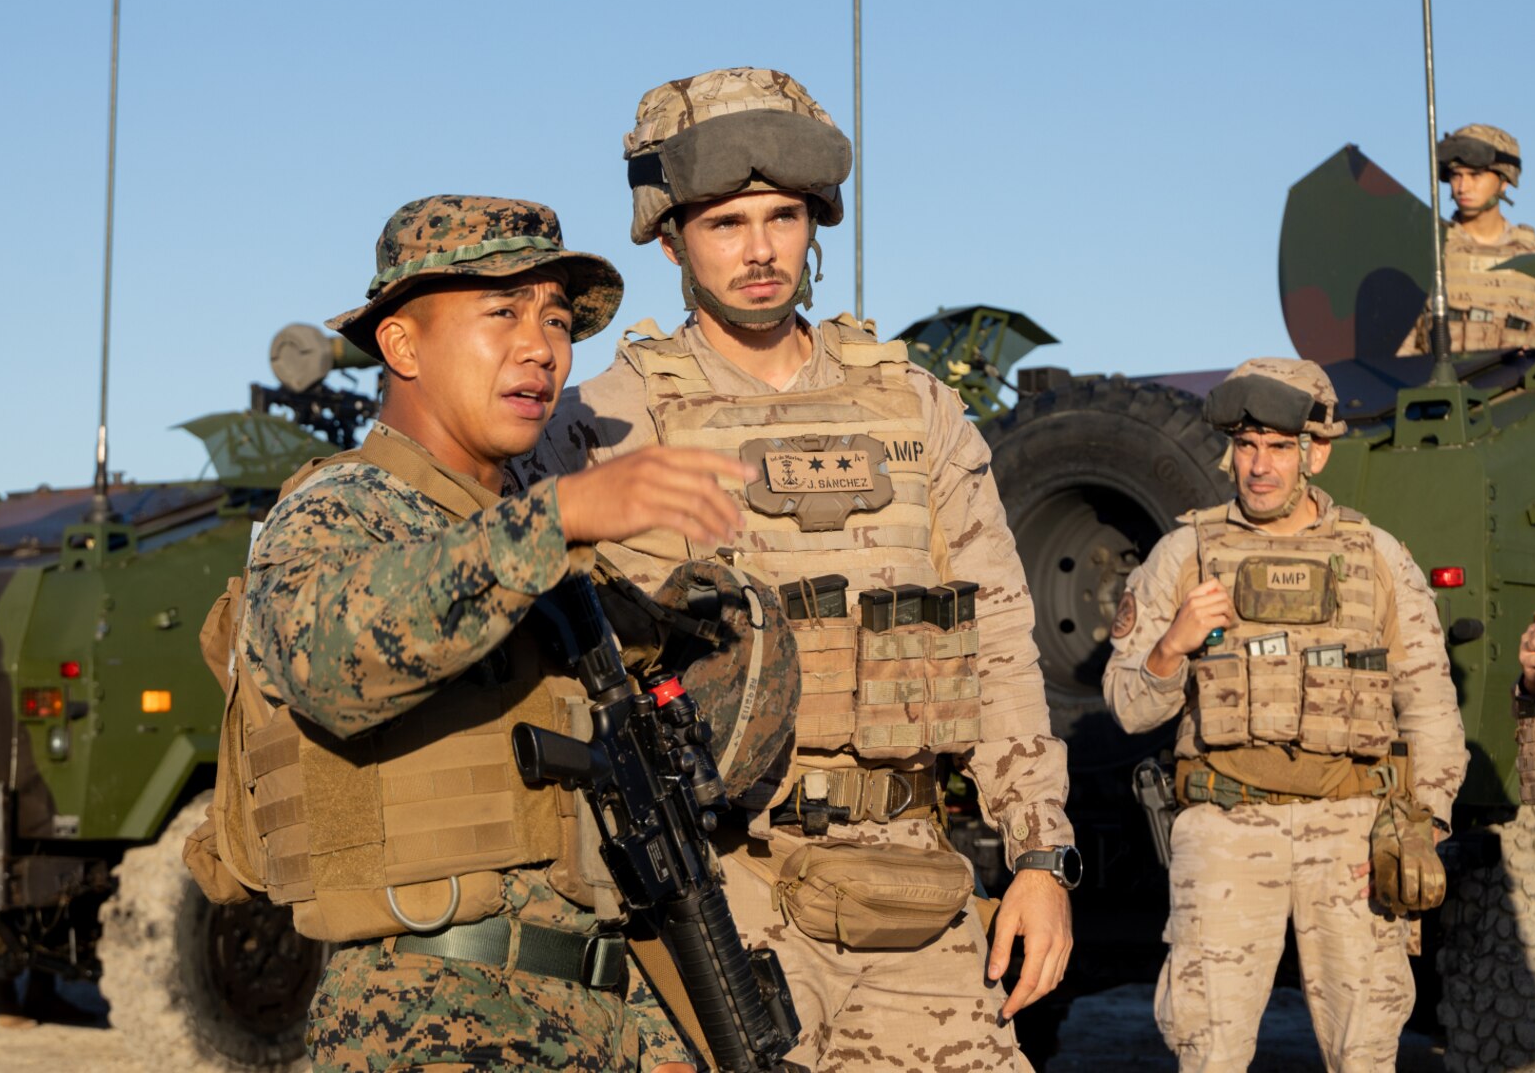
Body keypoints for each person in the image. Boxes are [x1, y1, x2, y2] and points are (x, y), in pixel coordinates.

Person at [515, 67, 1075, 1070]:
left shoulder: (915, 409)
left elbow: (997, 639)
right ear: (672, 235)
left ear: (817, 221)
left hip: (910, 877)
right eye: (726, 223)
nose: (761, 250)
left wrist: (1041, 857)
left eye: (781, 216)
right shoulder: (604, 420)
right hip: (721, 882)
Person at [194, 195, 779, 1072]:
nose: (541, 346)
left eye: (554, 318)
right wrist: (557, 519)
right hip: (434, 1014)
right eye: (501, 312)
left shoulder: (555, 554)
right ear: (401, 345)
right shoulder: (343, 506)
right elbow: (327, 658)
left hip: (610, 1010)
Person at [1102, 357, 1469, 1071]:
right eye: (1245, 447)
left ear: (1316, 452)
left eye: (1276, 447)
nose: (1258, 467)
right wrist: (1172, 644)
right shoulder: (1185, 553)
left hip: (1354, 838)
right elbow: (1125, 706)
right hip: (1226, 833)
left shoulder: (1378, 557)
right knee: (1208, 1048)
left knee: (1365, 1051)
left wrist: (1423, 824)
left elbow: (1427, 706)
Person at [1397, 123, 1535, 355]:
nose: (1463, 187)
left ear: (1504, 180)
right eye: (1456, 176)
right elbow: (1399, 348)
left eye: (1475, 175)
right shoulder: (1429, 250)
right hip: (1436, 389)